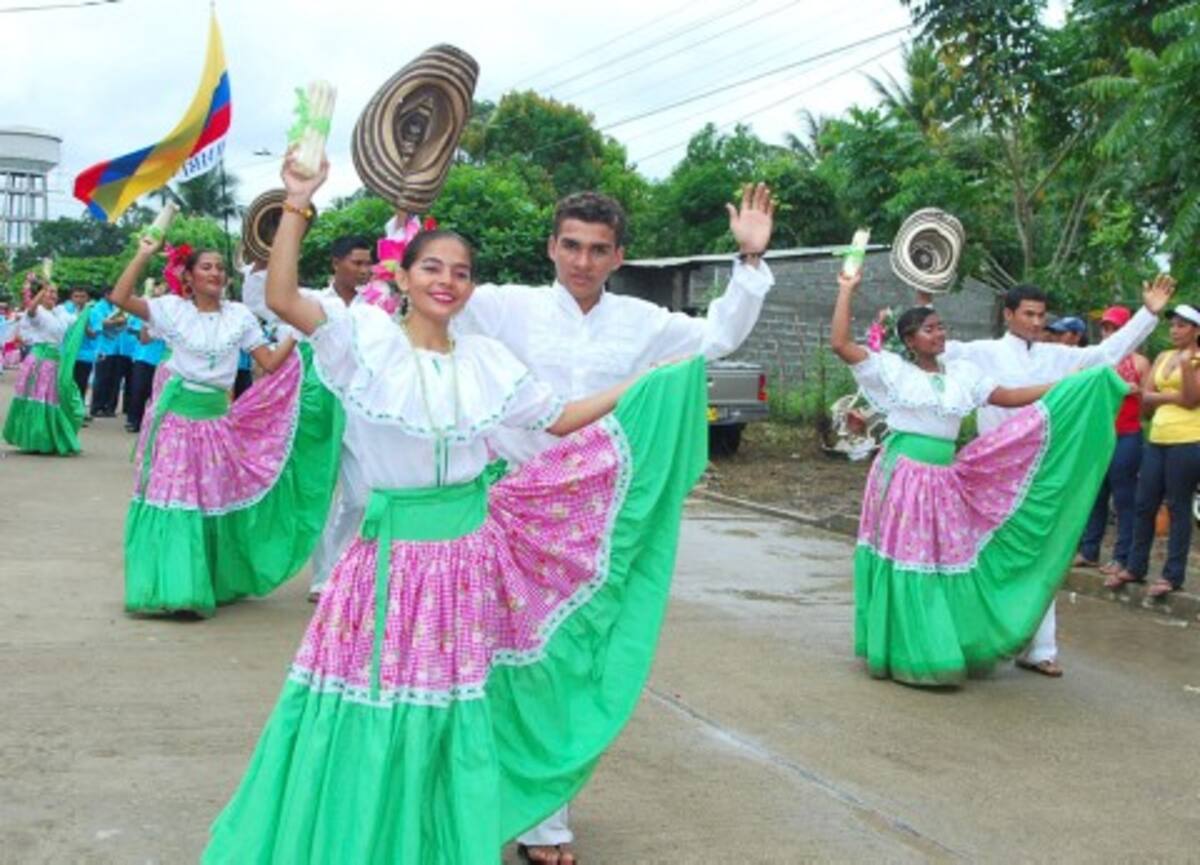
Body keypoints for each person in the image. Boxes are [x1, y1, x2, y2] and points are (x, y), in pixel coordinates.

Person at [203, 157, 709, 865]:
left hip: (464, 564)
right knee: (370, 703)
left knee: (450, 709)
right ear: (405, 277)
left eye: (461, 271)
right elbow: (284, 297)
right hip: (385, 566)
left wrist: (643, 384)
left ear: (471, 288)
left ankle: (435, 840)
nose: (447, 280)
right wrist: (296, 202)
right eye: (432, 267)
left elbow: (561, 416)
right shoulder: (364, 341)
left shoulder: (487, 363)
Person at [386, 185, 776, 863]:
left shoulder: (642, 321)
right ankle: (451, 799)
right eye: (571, 245)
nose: (582, 261)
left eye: (598, 249)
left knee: (563, 661)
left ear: (618, 254)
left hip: (588, 524)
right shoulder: (506, 305)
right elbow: (431, 288)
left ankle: (544, 817)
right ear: (551, 246)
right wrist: (402, 222)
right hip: (501, 508)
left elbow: (717, 338)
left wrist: (748, 260)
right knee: (476, 660)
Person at [834, 269, 1137, 685]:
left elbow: (1009, 396)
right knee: (907, 558)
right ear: (910, 340)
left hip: (942, 479)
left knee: (939, 562)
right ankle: (903, 649)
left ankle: (934, 641)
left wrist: (1069, 385)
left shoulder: (963, 375)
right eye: (929, 329)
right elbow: (840, 343)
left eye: (941, 327)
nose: (939, 334)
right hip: (903, 474)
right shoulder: (893, 372)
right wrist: (846, 291)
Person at [935, 278, 1172, 677]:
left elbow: (1105, 354)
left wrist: (1148, 314)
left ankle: (1040, 647)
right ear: (1008, 315)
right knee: (978, 554)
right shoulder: (980, 353)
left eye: (1041, 315)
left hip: (1040, 472)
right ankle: (967, 636)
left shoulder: (1055, 356)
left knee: (1042, 553)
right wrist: (923, 296)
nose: (1035, 321)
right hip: (990, 473)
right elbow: (933, 347)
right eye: (1027, 314)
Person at [110, 238, 342, 617]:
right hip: (176, 421)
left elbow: (267, 362)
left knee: (208, 499)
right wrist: (143, 252)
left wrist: (297, 333)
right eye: (206, 267)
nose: (216, 273)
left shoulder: (239, 316)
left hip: (216, 421)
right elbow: (121, 297)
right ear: (188, 275)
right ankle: (176, 590)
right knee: (177, 499)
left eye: (220, 267)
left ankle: (205, 582)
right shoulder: (172, 311)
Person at [1108, 304, 1200, 598]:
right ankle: (1135, 567)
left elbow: (1191, 400)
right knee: (1144, 503)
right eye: (1172, 324)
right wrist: (1169, 396)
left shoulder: (1195, 359)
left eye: (1182, 325)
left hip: (1188, 439)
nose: (1174, 330)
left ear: (1196, 330)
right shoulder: (1162, 357)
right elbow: (1143, 398)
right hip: (1157, 436)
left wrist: (1183, 373)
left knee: (1178, 506)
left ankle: (1172, 575)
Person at [1076, 306, 1149, 575]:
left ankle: (1122, 555)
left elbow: (1146, 401)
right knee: (1095, 492)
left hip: (1126, 434)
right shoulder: (1096, 359)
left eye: (1114, 328)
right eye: (1105, 328)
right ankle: (1090, 549)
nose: (1108, 333)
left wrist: (1136, 391)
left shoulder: (1138, 363)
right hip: (1099, 434)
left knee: (1123, 495)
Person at [2, 278, 90, 454]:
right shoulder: (38, 312)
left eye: (55, 292)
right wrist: (41, 291)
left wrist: (87, 308)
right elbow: (31, 309)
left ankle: (49, 438)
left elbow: (78, 322)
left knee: (57, 398)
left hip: (56, 361)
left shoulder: (61, 313)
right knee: (40, 399)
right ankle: (36, 439)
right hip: (39, 361)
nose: (52, 295)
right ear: (41, 295)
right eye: (49, 292)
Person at [123, 284, 168, 434]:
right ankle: (134, 420)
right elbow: (143, 338)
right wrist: (147, 320)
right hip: (145, 357)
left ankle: (153, 422)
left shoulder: (174, 314)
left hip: (165, 359)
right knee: (138, 390)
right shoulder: (146, 310)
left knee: (156, 393)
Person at [88, 288, 125, 418]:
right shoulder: (97, 307)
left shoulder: (116, 307)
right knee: (101, 379)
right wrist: (116, 321)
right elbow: (100, 324)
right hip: (103, 348)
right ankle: (97, 407)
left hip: (117, 348)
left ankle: (110, 408)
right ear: (106, 295)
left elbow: (123, 322)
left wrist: (121, 321)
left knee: (115, 380)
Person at [65, 287, 97, 417]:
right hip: (67, 354)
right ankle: (65, 411)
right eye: (76, 296)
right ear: (71, 298)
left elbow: (93, 334)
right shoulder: (65, 311)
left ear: (87, 298)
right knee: (66, 383)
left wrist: (84, 322)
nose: (79, 300)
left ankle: (78, 412)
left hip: (85, 356)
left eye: (82, 296)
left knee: (81, 385)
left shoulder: (92, 312)